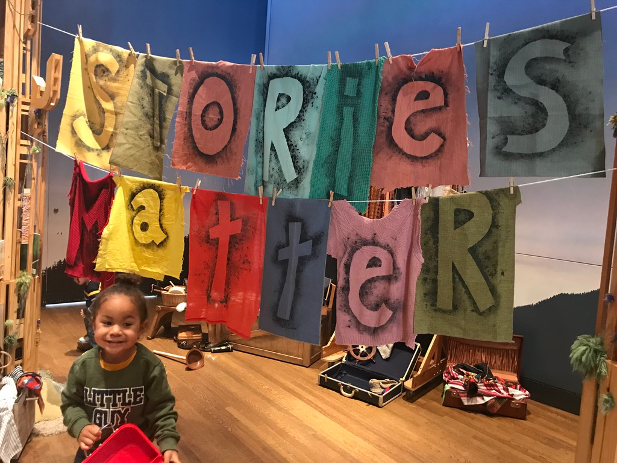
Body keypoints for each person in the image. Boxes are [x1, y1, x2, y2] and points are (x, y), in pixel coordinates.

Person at [61, 275, 181, 463]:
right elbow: (71, 403)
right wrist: (80, 426)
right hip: (94, 451)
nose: (116, 331)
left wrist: (168, 443)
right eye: (107, 323)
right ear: (93, 325)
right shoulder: (83, 366)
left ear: (141, 328)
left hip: (135, 453)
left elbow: (161, 409)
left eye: (127, 324)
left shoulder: (149, 366)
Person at [74, 278, 100, 352]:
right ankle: (91, 340)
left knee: (91, 326)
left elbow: (96, 305)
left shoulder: (93, 287)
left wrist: (87, 311)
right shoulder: (87, 285)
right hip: (92, 312)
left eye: (76, 277)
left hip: (97, 313)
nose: (74, 280)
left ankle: (96, 348)